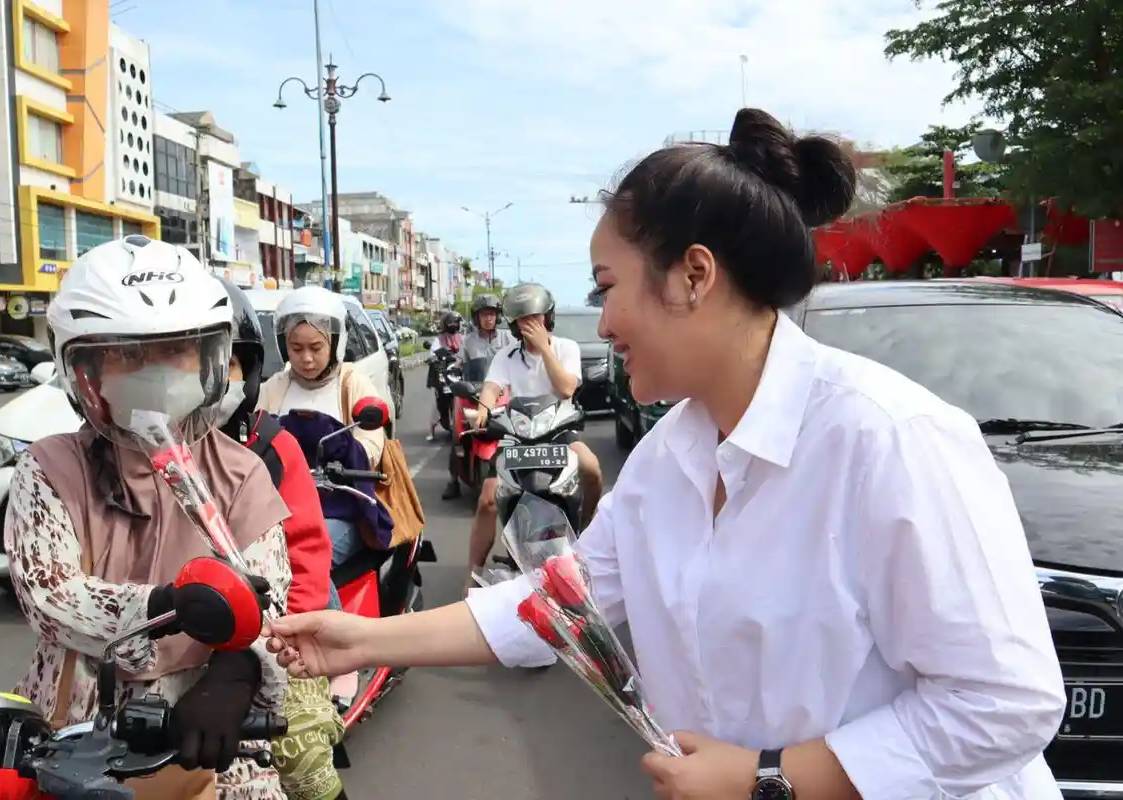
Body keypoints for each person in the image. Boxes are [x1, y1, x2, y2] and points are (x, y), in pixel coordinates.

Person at [265, 108, 1066, 800]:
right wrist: (364, 640)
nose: (601, 324)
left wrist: (771, 776)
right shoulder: (667, 459)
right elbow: (558, 606)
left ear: (693, 276)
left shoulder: (888, 438)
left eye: (606, 286)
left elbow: (1005, 701)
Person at [4, 235, 291, 799]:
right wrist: (162, 608)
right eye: (127, 354)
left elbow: (271, 605)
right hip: (79, 724)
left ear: (209, 361)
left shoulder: (240, 473)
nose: (154, 370)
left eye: (175, 350)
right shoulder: (50, 467)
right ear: (83, 370)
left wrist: (236, 676)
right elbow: (48, 594)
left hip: (205, 726)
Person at [213, 278, 348, 800]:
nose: (204, 381)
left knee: (304, 759)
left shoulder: (269, 446)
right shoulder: (120, 458)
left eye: (222, 364)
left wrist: (282, 642)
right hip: (159, 650)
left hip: (273, 638)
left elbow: (308, 554)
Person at [255, 284, 389, 711]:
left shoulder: (354, 383)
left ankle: (341, 655)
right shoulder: (273, 387)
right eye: (296, 348)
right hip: (282, 504)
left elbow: (371, 445)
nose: (306, 357)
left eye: (315, 346)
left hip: (344, 502)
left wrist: (337, 453)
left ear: (335, 343)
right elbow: (250, 440)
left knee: (313, 552)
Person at [464, 282, 604, 595]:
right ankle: (474, 571)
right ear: (513, 325)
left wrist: (544, 349)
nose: (531, 325)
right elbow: (491, 387)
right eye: (524, 321)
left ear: (548, 319)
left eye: (537, 319)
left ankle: (586, 530)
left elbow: (567, 388)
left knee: (592, 468)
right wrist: (483, 409)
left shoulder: (566, 347)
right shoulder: (506, 355)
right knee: (487, 498)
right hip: (517, 435)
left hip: (558, 431)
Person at [442, 293, 513, 500]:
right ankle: (453, 481)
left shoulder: (509, 339)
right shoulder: (468, 341)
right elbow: (458, 361)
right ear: (477, 317)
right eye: (484, 315)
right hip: (471, 393)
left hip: (502, 393)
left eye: (492, 314)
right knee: (458, 436)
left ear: (498, 316)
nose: (488, 319)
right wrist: (452, 366)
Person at [426, 312, 464, 440]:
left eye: (455, 322)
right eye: (450, 322)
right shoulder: (439, 339)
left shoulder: (462, 338)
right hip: (443, 374)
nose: (453, 325)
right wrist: (433, 358)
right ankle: (431, 430)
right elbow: (432, 353)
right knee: (439, 399)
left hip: (458, 373)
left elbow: (467, 352)